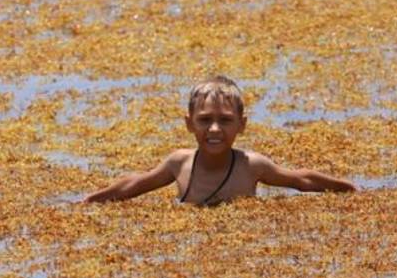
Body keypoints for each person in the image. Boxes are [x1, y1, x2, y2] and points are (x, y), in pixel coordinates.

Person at [82, 75, 358, 205]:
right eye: (204, 120)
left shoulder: (252, 165)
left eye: (225, 120)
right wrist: (90, 201)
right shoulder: (178, 163)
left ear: (241, 125)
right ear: (189, 123)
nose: (214, 129)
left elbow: (301, 180)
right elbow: (135, 184)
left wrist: (351, 191)